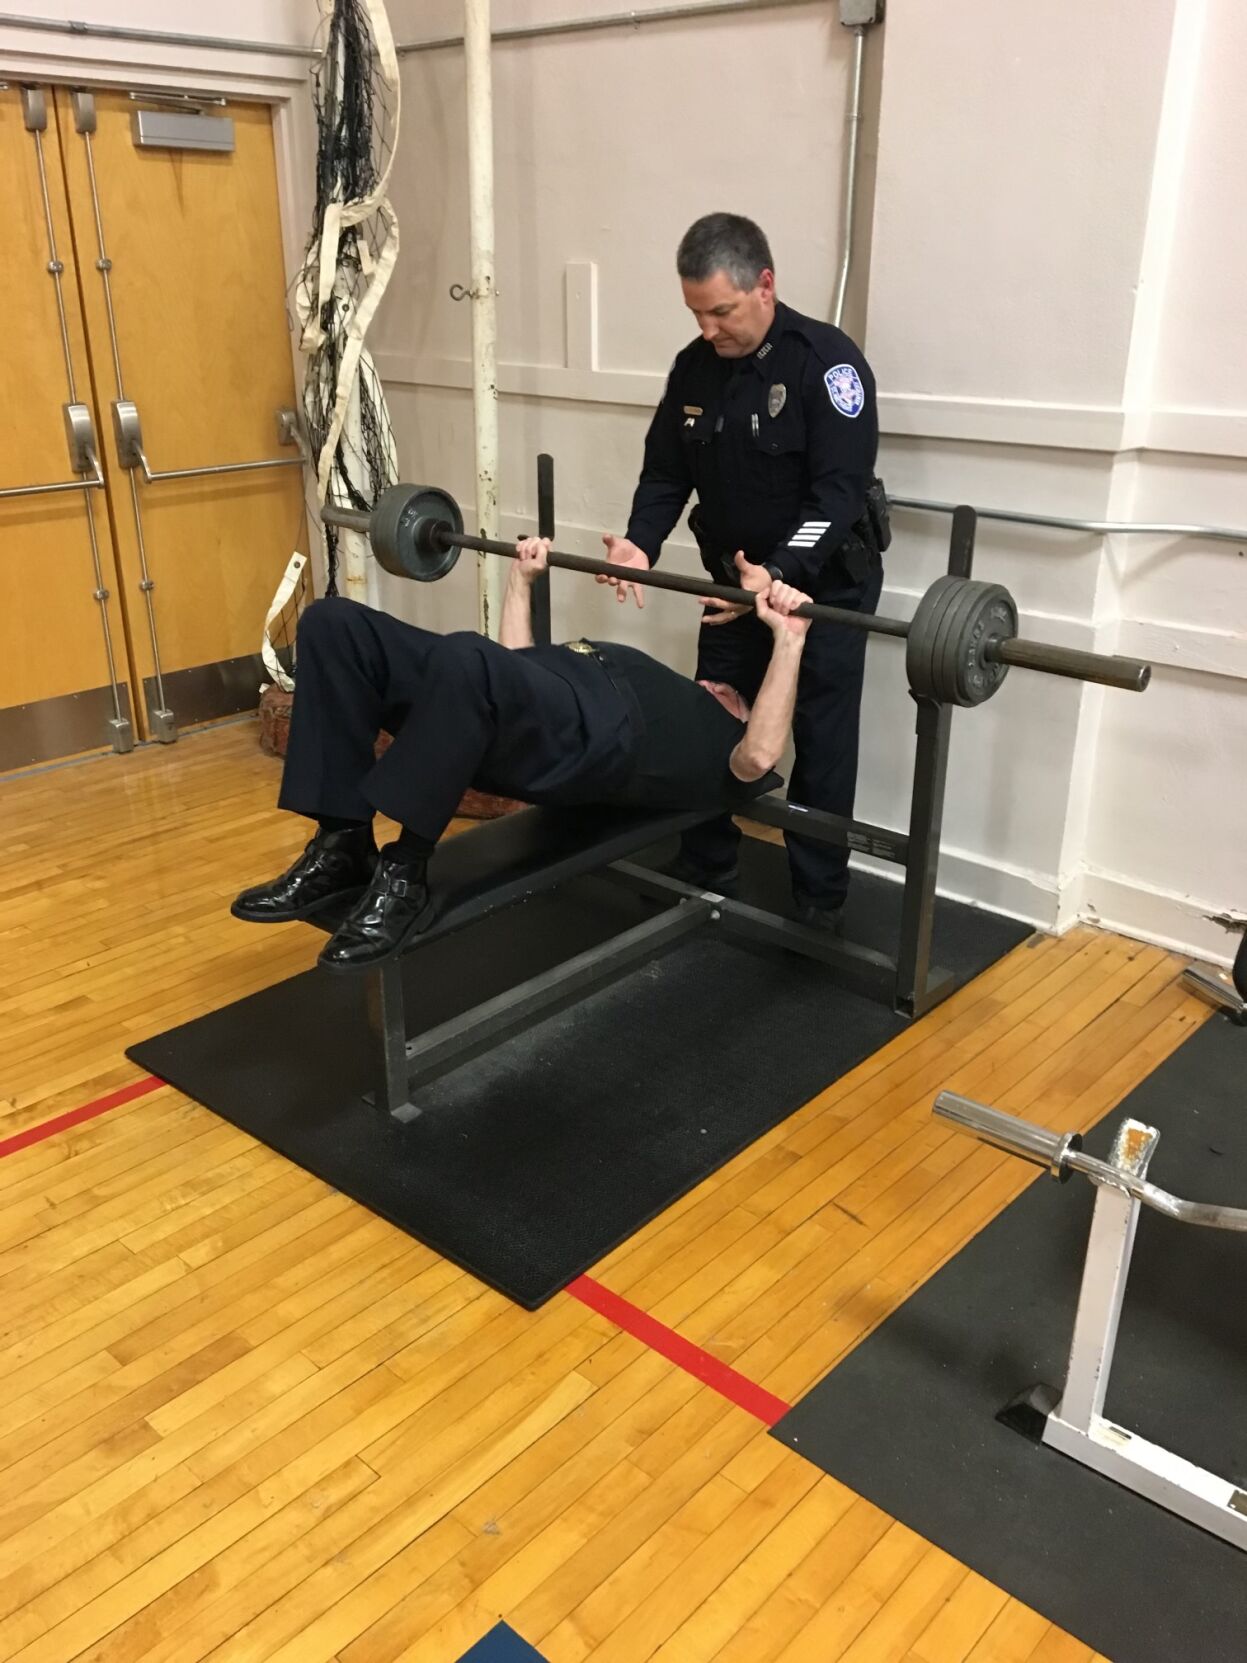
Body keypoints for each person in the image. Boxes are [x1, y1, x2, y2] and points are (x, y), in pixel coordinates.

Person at [232, 537, 815, 971]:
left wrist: (788, 640)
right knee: (334, 624)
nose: (713, 683)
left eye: (729, 691)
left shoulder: (720, 744)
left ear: (741, 711)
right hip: (527, 707)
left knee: (467, 657)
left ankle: (405, 873)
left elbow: (761, 755)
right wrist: (522, 580)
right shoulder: (670, 684)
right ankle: (342, 844)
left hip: (588, 745)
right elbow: (517, 665)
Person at [598, 212, 887, 931]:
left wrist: (781, 570)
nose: (708, 329)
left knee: (820, 740)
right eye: (696, 313)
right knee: (711, 716)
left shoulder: (827, 365)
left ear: (764, 285)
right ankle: (706, 860)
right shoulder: (695, 367)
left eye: (721, 311)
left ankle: (819, 894)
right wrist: (640, 544)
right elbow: (666, 472)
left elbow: (839, 494)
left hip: (821, 589)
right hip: (731, 590)